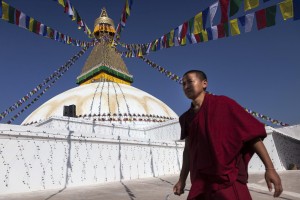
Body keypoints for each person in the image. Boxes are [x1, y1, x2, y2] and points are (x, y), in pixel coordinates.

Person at [173, 70, 283, 200]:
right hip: (201, 181)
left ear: (204, 83)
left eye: (190, 81)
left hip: (227, 179)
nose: (186, 86)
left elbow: (251, 135)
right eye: (183, 84)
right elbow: (188, 150)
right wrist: (182, 179)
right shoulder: (186, 118)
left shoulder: (223, 104)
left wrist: (269, 168)